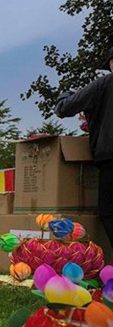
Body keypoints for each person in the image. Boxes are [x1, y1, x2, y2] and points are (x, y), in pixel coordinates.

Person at [55, 43, 113, 243]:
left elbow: (65, 108)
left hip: (110, 156)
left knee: (109, 212)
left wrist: (66, 94)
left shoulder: (104, 84)